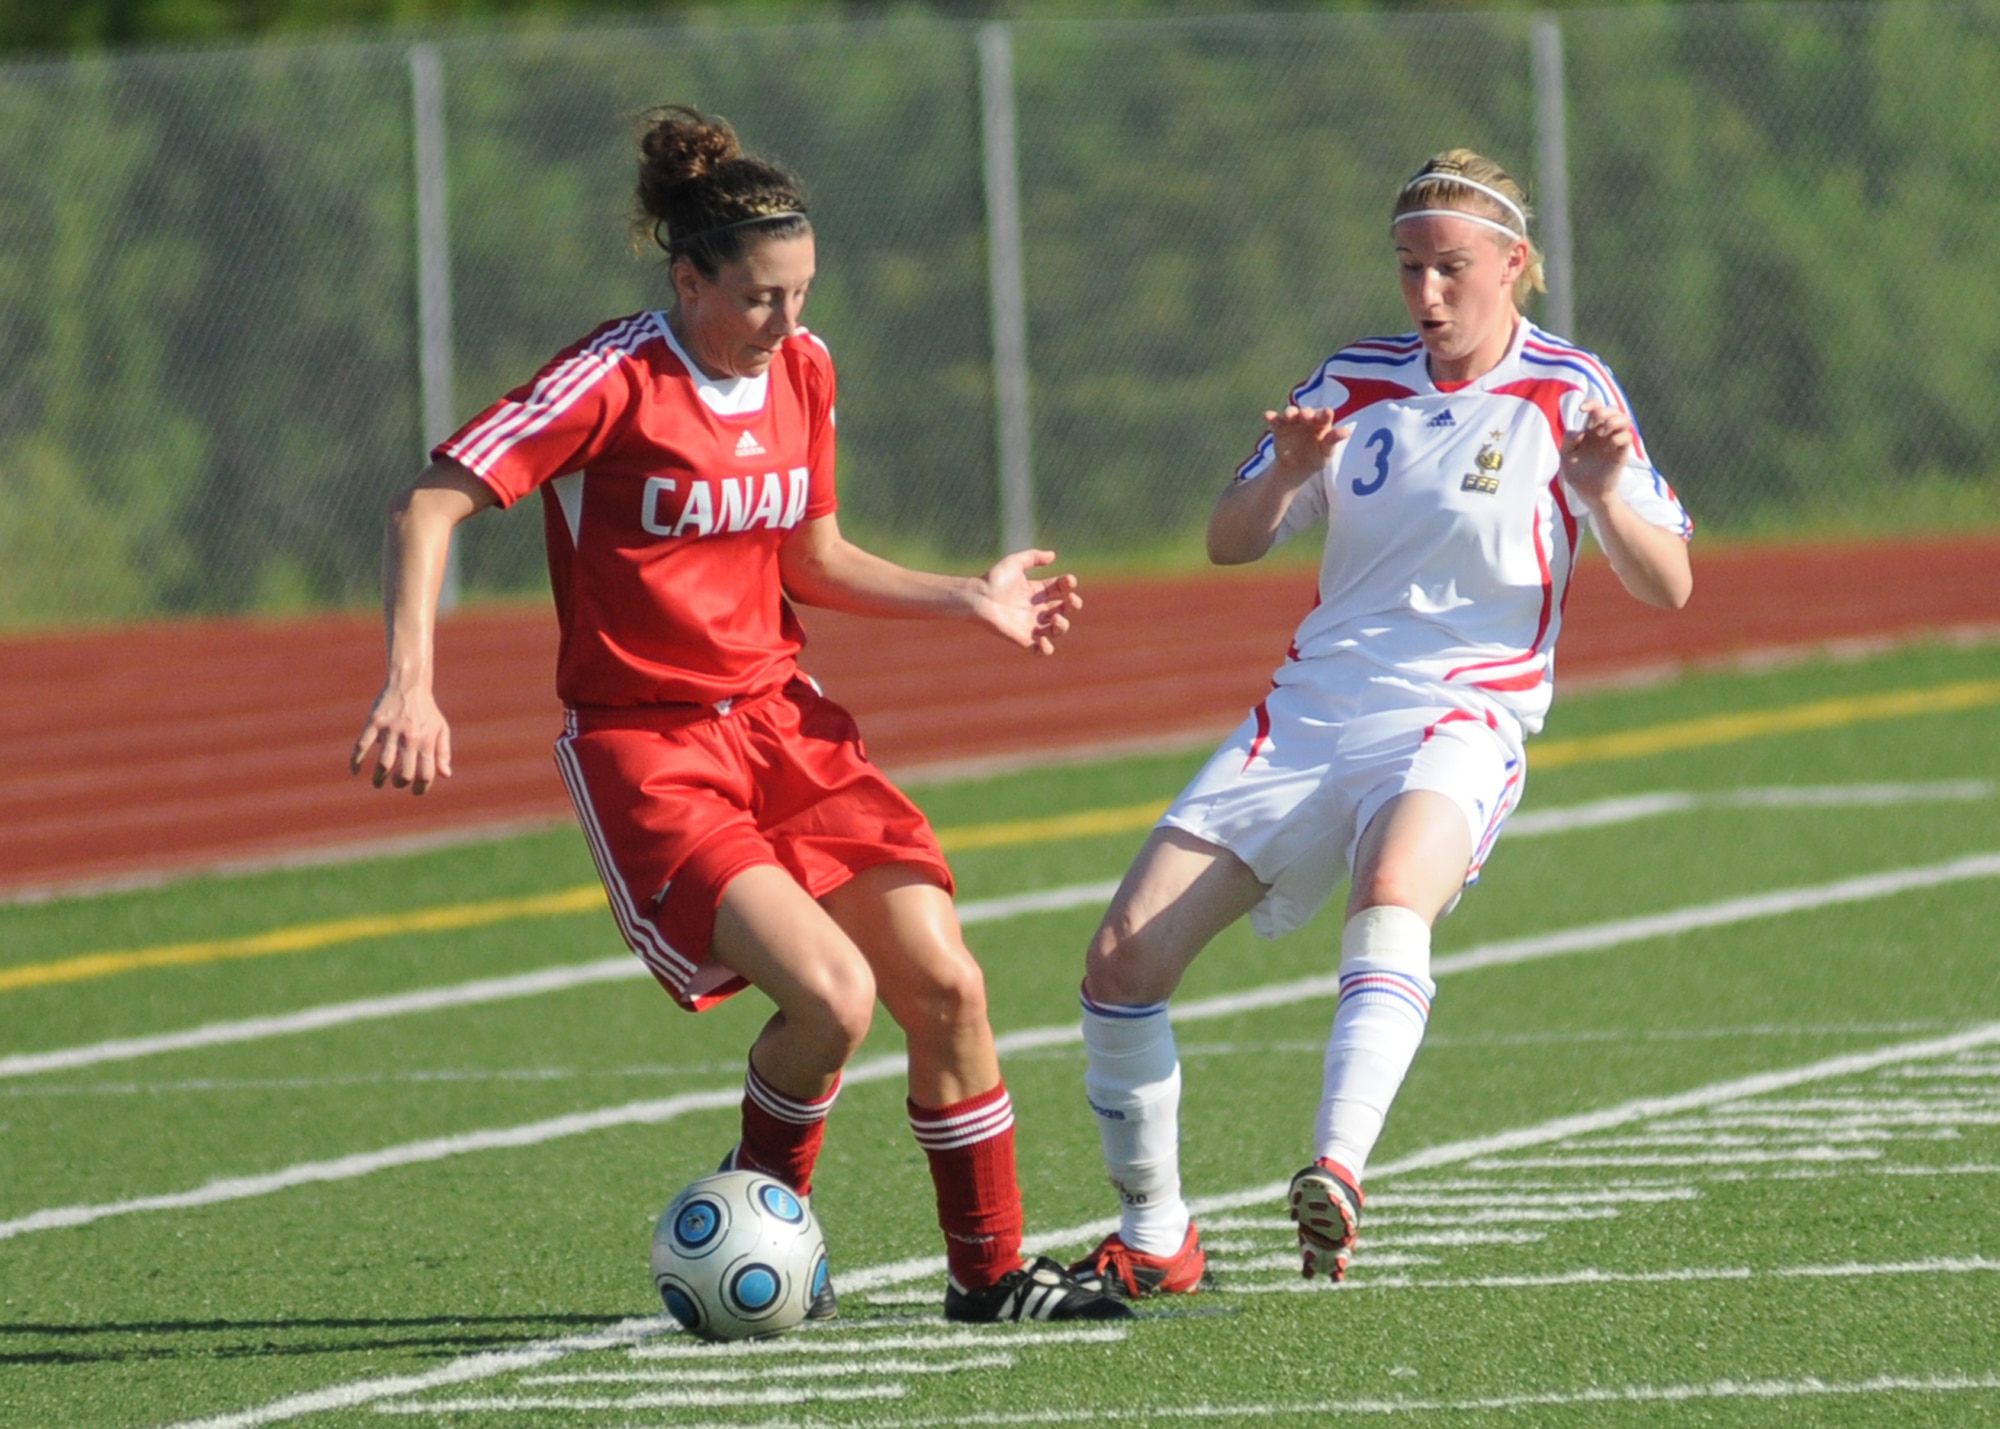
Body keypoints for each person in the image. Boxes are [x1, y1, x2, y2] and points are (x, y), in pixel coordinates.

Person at [351, 106, 1126, 1325]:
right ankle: (761, 1206)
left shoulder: (804, 372)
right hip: (648, 746)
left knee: (947, 987)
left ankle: (987, 1279)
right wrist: (411, 678)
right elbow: (428, 505)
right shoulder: (611, 378)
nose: (788, 322)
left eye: (804, 293)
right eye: (762, 296)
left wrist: (963, 597)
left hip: (782, 722)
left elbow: (809, 557)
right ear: (688, 276)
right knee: (830, 997)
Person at [1068, 149, 1693, 1299]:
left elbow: (1668, 586)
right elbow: (1228, 538)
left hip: (1463, 708)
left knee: (1391, 883)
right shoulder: (1353, 380)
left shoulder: (1572, 390)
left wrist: (1604, 492)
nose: (1426, 295)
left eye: (1450, 269)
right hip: (1309, 710)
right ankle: (1156, 1237)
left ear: (1513, 264)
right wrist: (1282, 475)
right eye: (1408, 270)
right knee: (1119, 959)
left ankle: (1336, 1166)